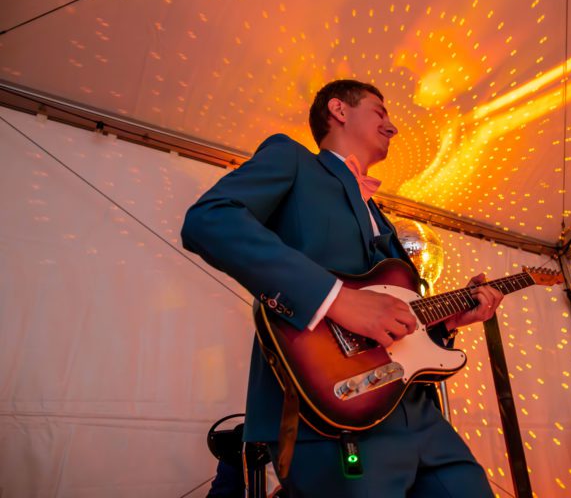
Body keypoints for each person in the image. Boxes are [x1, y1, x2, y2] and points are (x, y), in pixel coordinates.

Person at [182, 79, 503, 497]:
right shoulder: (291, 158)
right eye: (380, 111)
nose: (393, 126)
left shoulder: (384, 218)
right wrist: (337, 298)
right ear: (339, 109)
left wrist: (448, 322)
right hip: (330, 413)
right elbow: (210, 220)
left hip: (421, 417)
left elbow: (396, 314)